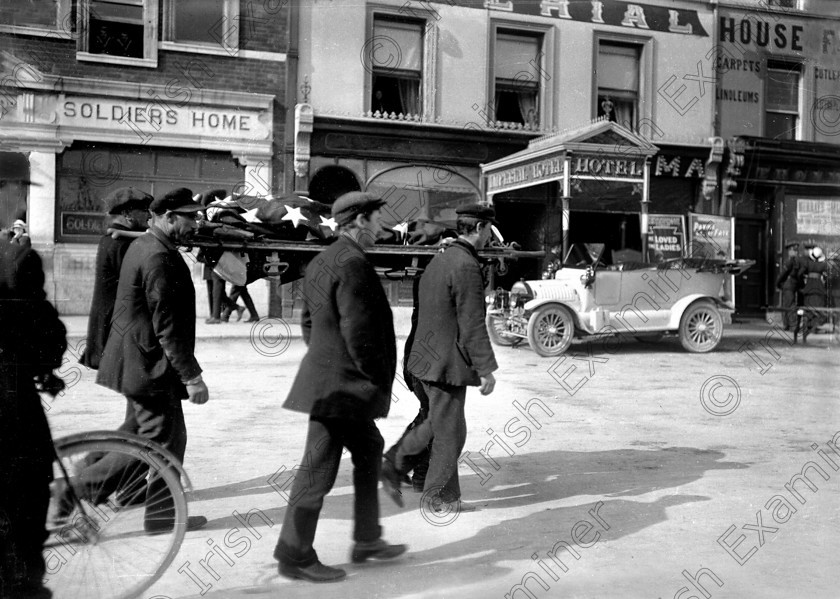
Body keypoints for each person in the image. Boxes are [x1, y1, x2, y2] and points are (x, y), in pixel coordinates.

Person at [274, 191, 406, 583]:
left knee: (369, 448)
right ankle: (295, 554)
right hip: (342, 391)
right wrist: (369, 378)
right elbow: (360, 334)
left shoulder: (321, 261)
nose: (383, 227)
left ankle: (367, 539)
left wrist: (325, 362)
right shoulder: (353, 264)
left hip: (329, 382)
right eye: (379, 219)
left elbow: (309, 324)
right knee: (318, 470)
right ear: (361, 222)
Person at [61, 188, 210, 534]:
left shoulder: (146, 244)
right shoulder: (157, 256)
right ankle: (76, 490)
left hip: (136, 361)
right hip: (147, 365)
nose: (196, 223)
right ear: (169, 217)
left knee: (149, 434)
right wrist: (192, 377)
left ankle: (143, 503)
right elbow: (167, 326)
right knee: (157, 440)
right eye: (191, 217)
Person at [381, 204, 498, 513]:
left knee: (438, 425)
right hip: (445, 366)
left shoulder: (439, 260)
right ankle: (438, 496)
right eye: (488, 230)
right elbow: (472, 323)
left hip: (423, 360)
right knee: (450, 433)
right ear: (480, 228)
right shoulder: (467, 267)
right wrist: (486, 369)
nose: (489, 236)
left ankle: (395, 465)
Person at [1, 151, 67, 598]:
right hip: (9, 400)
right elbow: (40, 323)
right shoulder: (16, 257)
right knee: (24, 501)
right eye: (17, 191)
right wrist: (46, 369)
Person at [200, 189, 238, 324]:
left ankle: (217, 315)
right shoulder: (219, 215)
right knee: (214, 285)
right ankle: (218, 313)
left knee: (216, 284)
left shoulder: (222, 216)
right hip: (213, 255)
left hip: (219, 256)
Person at [800, 246, 829, 342]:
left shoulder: (807, 264)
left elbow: (800, 273)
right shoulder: (823, 265)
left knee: (808, 307)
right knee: (818, 307)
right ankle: (815, 326)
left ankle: (808, 326)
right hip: (819, 288)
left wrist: (804, 280)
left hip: (809, 287)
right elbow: (827, 277)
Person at [776, 242, 805, 331]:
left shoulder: (790, 261)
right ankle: (789, 325)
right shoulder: (800, 261)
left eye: (791, 250)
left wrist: (778, 283)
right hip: (795, 284)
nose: (790, 252)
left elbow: (783, 274)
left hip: (788, 284)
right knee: (790, 304)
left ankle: (791, 325)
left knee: (789, 305)